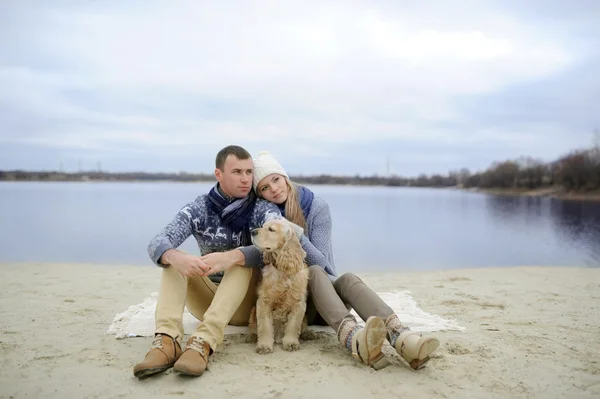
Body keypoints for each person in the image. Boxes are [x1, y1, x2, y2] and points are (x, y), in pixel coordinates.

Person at [252, 151, 441, 370]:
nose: (273, 189)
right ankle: (355, 339)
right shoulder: (263, 217)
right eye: (264, 188)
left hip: (327, 296)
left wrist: (297, 234)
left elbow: (322, 262)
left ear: (284, 177)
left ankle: (404, 340)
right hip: (301, 307)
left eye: (275, 179)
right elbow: (252, 250)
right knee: (311, 271)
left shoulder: (316, 207)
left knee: (345, 277)